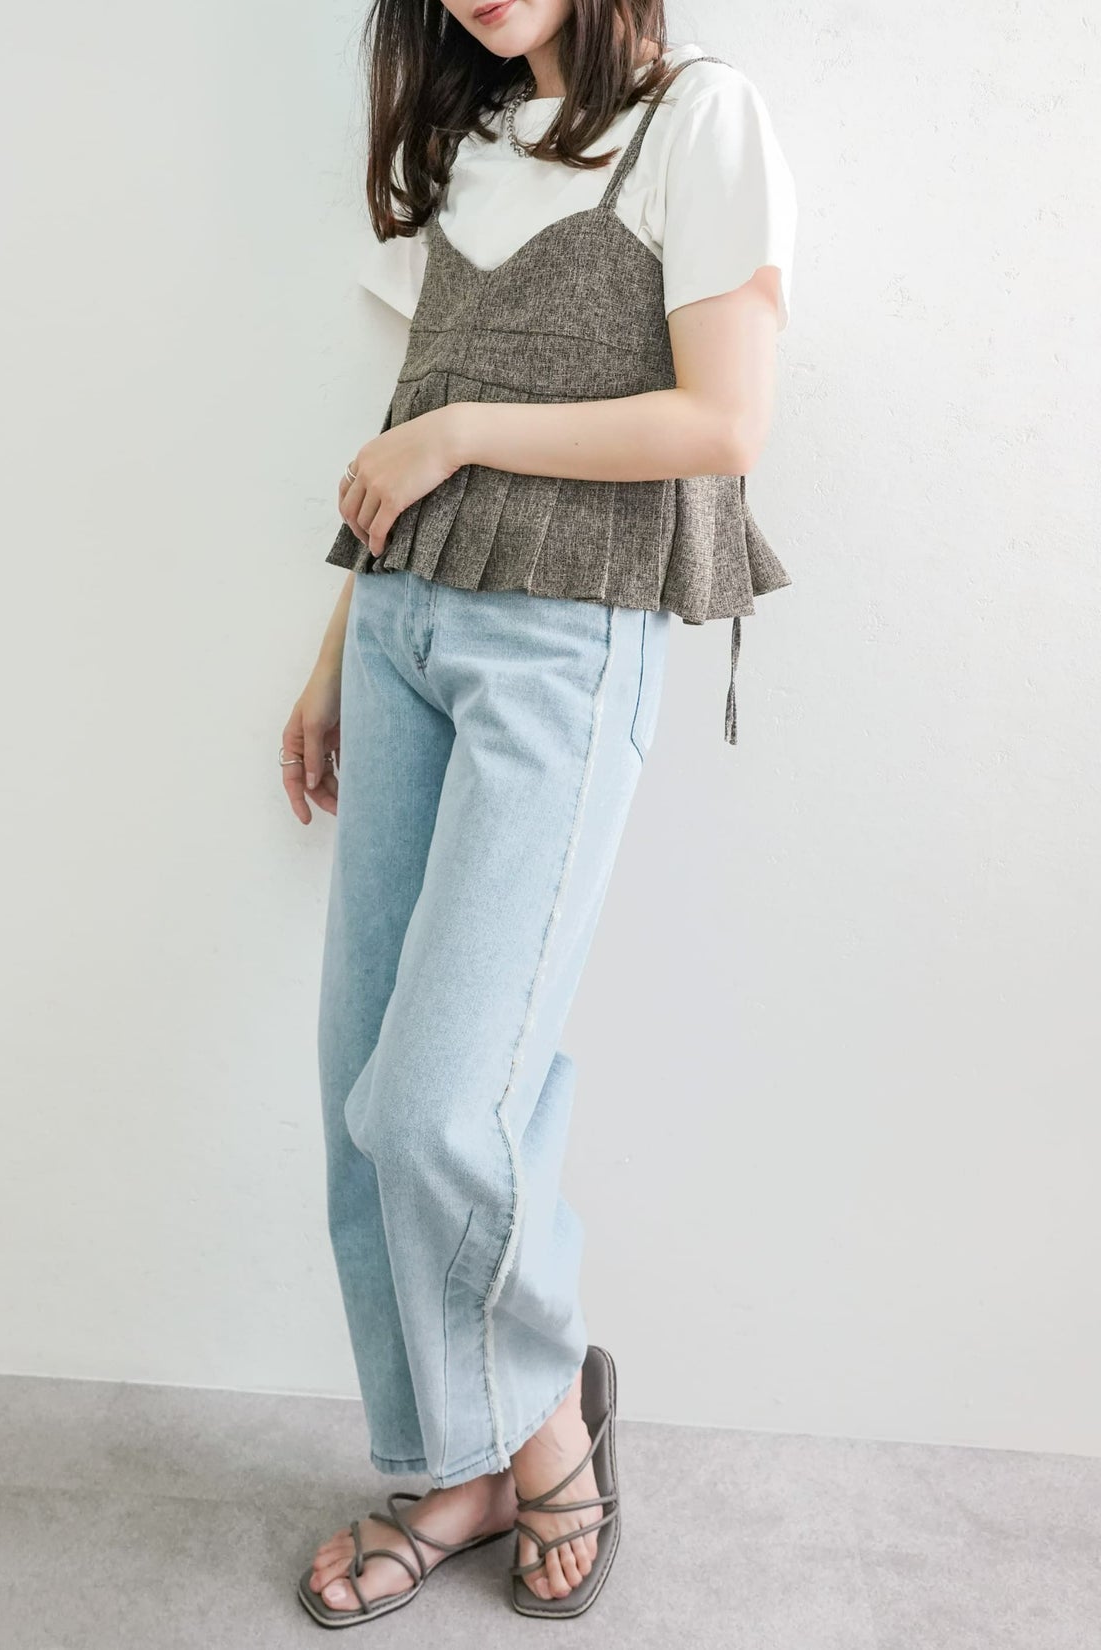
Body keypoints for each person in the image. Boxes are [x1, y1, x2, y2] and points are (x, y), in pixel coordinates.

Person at [282, 0, 797, 1626]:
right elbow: (407, 423)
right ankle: (457, 1463)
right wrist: (333, 656)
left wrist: (460, 434)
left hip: (565, 644)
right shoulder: (465, 136)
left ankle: (547, 1420)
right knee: (362, 1099)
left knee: (439, 1099)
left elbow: (724, 421)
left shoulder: (700, 117)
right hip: (401, 627)